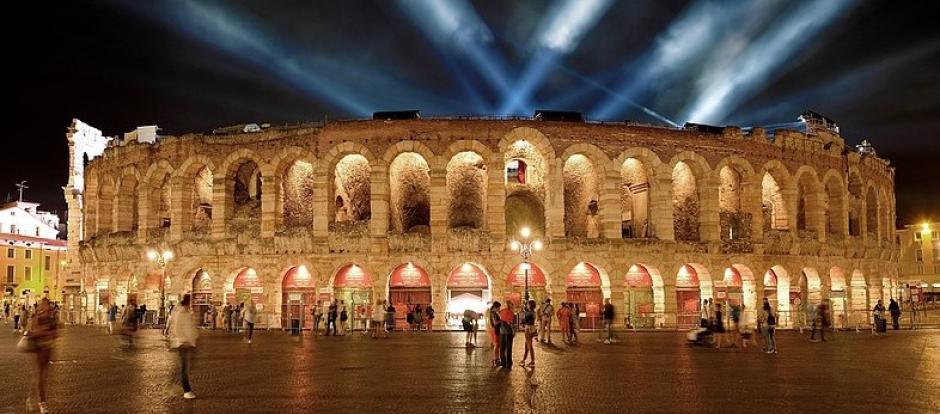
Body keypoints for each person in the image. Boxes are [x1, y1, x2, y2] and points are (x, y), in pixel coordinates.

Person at [24, 297, 58, 414]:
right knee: (40, 377)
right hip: (35, 349)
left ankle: (29, 399)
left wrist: (50, 334)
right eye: (44, 306)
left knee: (40, 377)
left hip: (47, 350)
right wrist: (40, 332)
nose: (46, 309)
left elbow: (55, 334)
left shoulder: (52, 320)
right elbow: (29, 332)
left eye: (48, 306)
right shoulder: (35, 319)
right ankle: (42, 403)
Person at [167, 294, 199, 400]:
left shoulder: (186, 312)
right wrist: (182, 340)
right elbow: (176, 328)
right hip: (183, 344)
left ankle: (174, 381)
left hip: (189, 343)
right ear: (188, 301)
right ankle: (187, 390)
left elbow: (191, 327)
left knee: (187, 367)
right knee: (184, 368)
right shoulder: (180, 313)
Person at [498, 301, 516, 369]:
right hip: (508, 332)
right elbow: (509, 323)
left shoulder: (501, 311)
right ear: (510, 305)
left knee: (502, 348)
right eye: (512, 304)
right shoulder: (510, 312)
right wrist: (513, 331)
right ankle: (509, 363)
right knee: (508, 348)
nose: (513, 306)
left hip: (502, 331)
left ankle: (503, 362)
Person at [520, 300, 537, 367]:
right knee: (526, 345)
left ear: (529, 305)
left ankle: (532, 361)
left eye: (527, 304)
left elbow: (524, 320)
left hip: (528, 329)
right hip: (532, 328)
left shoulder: (528, 313)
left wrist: (522, 315)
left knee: (529, 345)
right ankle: (523, 360)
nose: (526, 305)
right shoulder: (533, 312)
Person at [489, 302, 503, 367]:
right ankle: (496, 359)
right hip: (496, 330)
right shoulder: (494, 313)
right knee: (497, 345)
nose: (499, 309)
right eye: (498, 307)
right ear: (495, 307)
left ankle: (496, 359)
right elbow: (495, 322)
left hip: (494, 330)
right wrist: (502, 320)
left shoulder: (492, 313)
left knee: (497, 345)